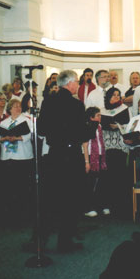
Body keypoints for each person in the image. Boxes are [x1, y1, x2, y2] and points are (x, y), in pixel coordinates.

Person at [38, 70, 88, 253]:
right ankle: (64, 242)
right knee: (70, 198)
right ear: (69, 83)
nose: (78, 85)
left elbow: (41, 129)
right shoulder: (76, 105)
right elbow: (82, 133)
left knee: (50, 198)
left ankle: (40, 240)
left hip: (54, 154)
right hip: (71, 155)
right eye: (77, 82)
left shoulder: (48, 101)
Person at [0, 99, 34, 223]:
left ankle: (24, 215)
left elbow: (30, 135)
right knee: (9, 187)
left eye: (19, 106)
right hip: (7, 157)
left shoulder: (26, 120)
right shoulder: (4, 122)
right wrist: (4, 138)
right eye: (15, 106)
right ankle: (11, 215)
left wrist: (17, 137)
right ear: (10, 109)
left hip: (22, 157)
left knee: (22, 187)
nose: (17, 108)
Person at [100, 87, 131, 217]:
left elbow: (128, 125)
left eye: (118, 95)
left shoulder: (124, 108)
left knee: (120, 174)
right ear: (108, 97)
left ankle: (120, 206)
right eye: (114, 95)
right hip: (107, 145)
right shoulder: (103, 110)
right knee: (108, 176)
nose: (116, 97)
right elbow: (100, 125)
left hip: (119, 145)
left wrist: (118, 126)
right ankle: (107, 204)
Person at [82, 107, 111, 218]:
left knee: (101, 182)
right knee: (89, 183)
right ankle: (88, 207)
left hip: (99, 156)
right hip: (90, 156)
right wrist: (86, 162)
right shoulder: (87, 127)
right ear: (91, 117)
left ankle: (100, 205)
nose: (100, 117)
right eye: (98, 115)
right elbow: (85, 145)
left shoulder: (99, 126)